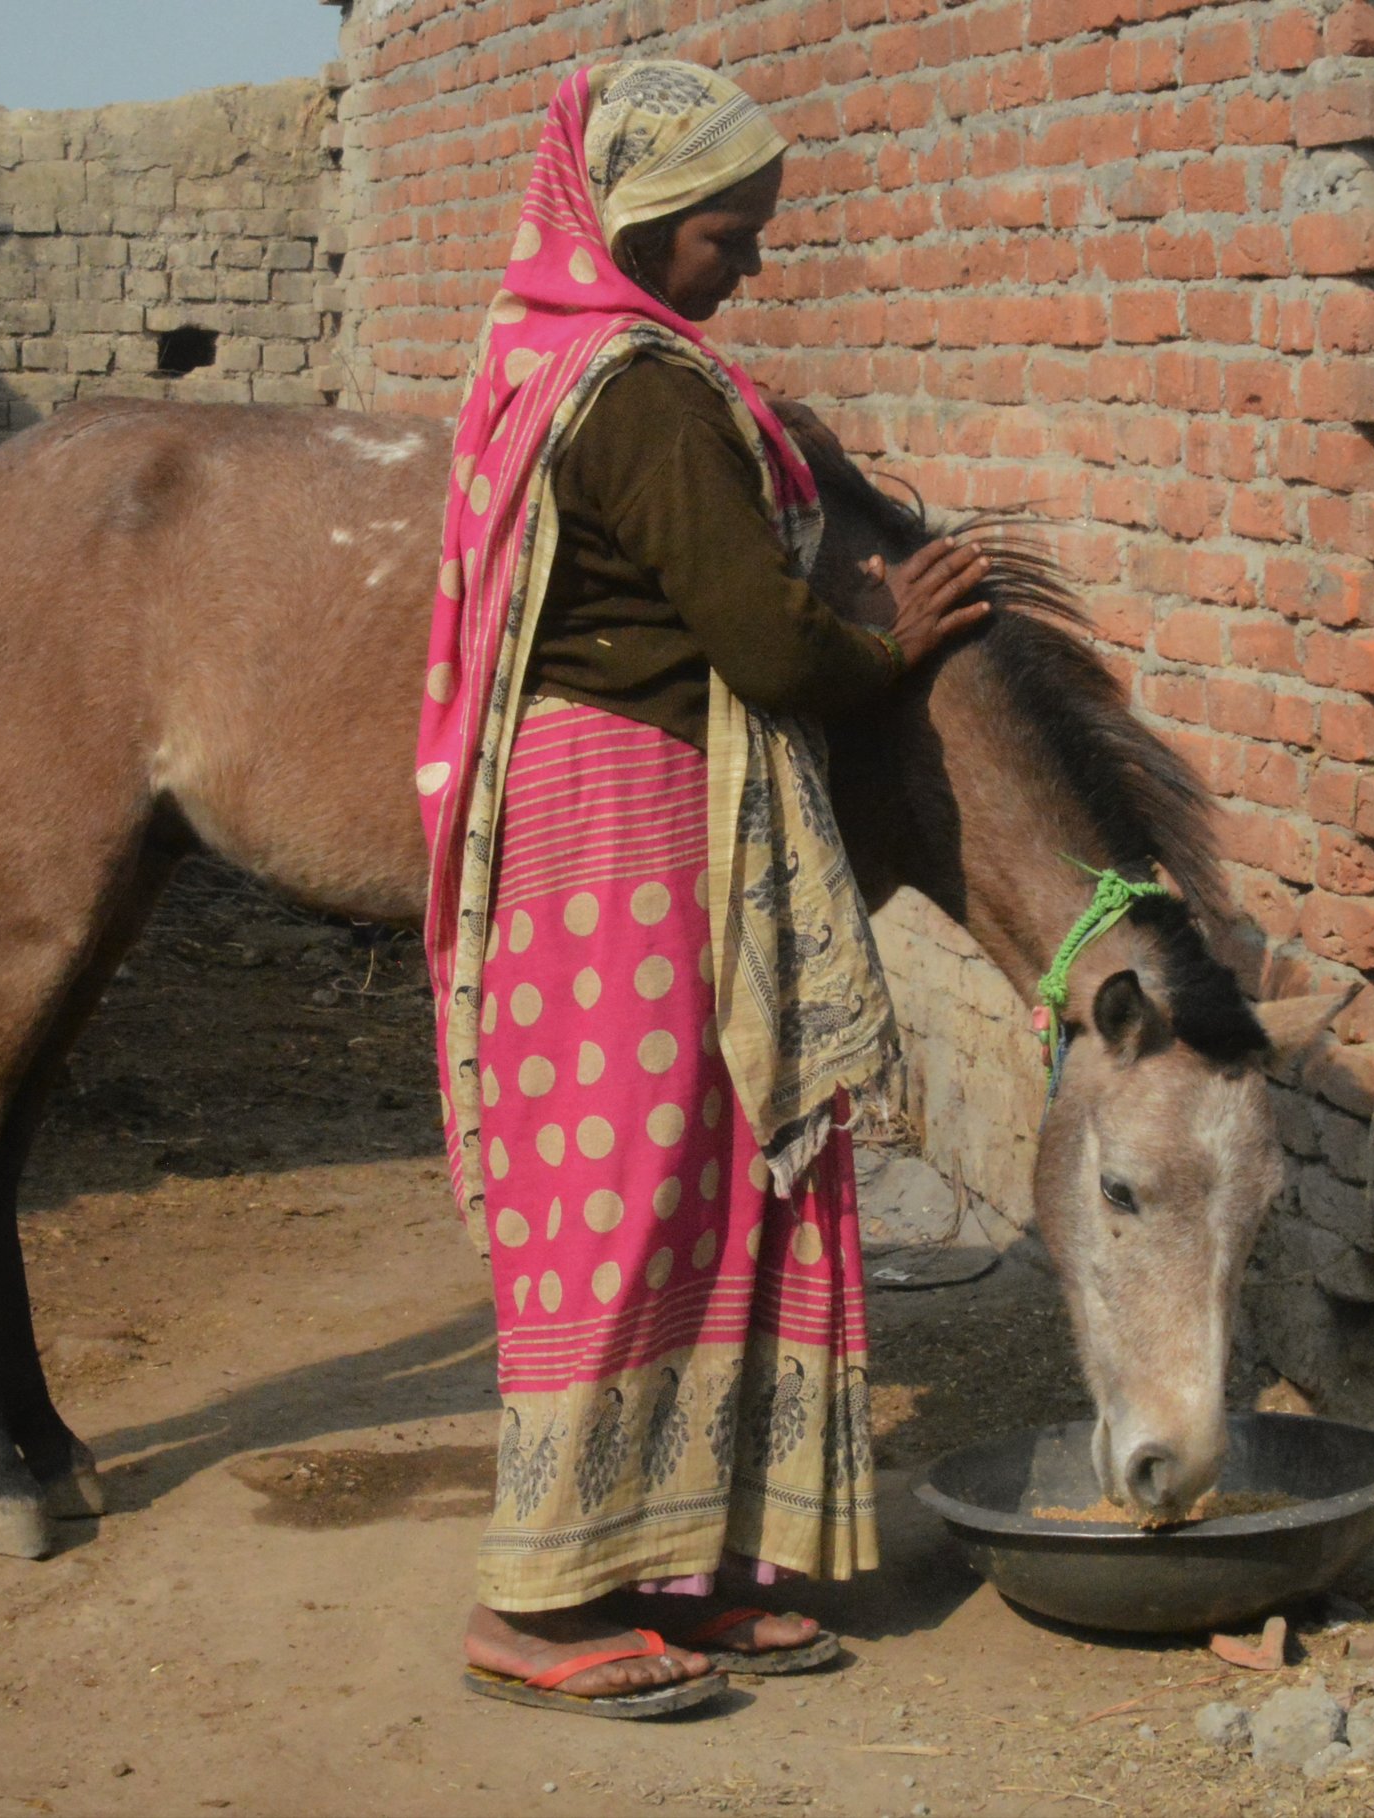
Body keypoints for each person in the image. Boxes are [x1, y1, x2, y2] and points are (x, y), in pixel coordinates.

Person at [415, 60, 992, 1717]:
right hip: (634, 827)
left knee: (721, 1170)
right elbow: (757, 637)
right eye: (729, 236)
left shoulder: (574, 362)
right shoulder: (642, 393)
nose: (747, 266)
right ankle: (535, 1603)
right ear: (646, 224)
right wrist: (893, 645)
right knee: (626, 1187)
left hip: (642, 810)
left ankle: (691, 1562)